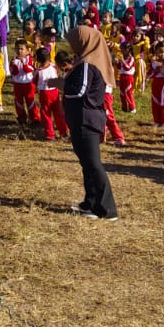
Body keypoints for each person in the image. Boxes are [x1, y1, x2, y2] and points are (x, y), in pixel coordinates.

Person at [63, 25, 119, 219]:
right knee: (87, 163)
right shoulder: (83, 63)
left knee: (93, 163)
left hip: (86, 120)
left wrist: (61, 84)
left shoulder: (87, 65)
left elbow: (80, 90)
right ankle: (91, 203)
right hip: (81, 119)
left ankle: (107, 209)